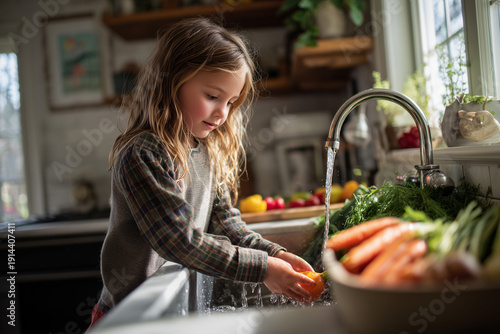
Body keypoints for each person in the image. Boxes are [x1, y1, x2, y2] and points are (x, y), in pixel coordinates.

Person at [87, 17, 315, 330]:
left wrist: (274, 254)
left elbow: (226, 224)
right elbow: (178, 241)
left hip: (164, 309)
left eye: (231, 102)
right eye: (212, 96)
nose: (223, 113)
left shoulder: (205, 150)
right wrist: (263, 269)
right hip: (128, 317)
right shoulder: (144, 154)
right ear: (172, 81)